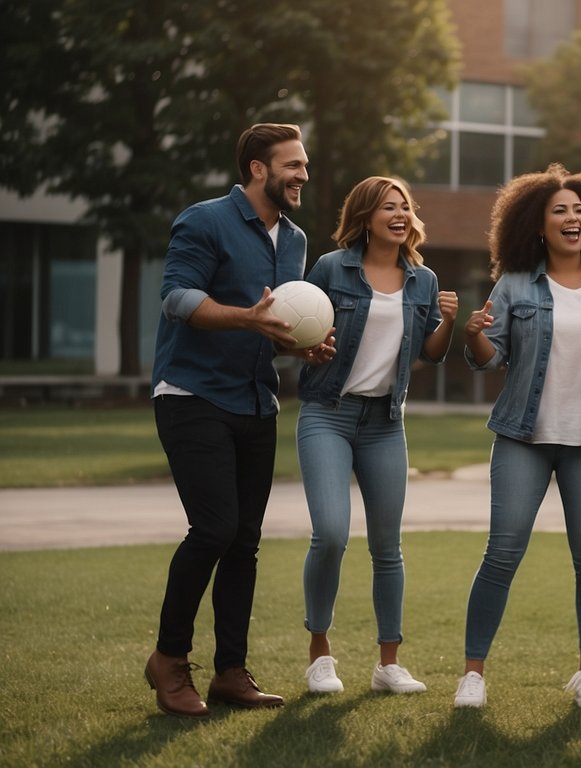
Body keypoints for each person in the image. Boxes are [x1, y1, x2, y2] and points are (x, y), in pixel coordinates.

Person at [145, 123, 332, 717]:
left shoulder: (295, 241)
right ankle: (169, 661)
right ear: (258, 169)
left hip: (256, 401)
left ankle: (231, 672)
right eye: (293, 165)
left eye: (304, 165)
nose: (303, 174)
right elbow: (176, 299)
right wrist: (250, 322)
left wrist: (295, 346)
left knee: (245, 544)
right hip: (192, 396)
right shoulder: (204, 220)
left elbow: (268, 324)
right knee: (215, 529)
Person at [452, 164, 581, 709]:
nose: (572, 217)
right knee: (501, 554)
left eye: (579, 210)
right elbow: (491, 360)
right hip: (522, 439)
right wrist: (477, 338)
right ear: (538, 225)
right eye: (560, 210)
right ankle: (473, 675)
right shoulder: (513, 286)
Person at [296, 176, 457, 695]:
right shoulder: (331, 267)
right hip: (328, 413)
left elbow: (430, 353)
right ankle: (320, 655)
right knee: (332, 534)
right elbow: (299, 329)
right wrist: (308, 348)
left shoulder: (423, 279)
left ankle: (389, 664)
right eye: (389, 207)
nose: (400, 214)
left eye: (405, 206)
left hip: (386, 422)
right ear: (365, 217)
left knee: (387, 546)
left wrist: (449, 323)